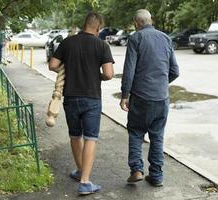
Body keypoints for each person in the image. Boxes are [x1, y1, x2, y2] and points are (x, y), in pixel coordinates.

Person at [48, 12, 114, 195]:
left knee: (75, 135)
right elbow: (109, 74)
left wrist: (68, 70)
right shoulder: (102, 45)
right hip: (92, 98)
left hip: (70, 97)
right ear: (98, 27)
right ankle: (85, 181)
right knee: (91, 137)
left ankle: (80, 171)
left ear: (84, 24)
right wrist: (96, 75)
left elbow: (53, 65)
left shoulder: (68, 42)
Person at [120, 9, 179, 187]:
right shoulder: (165, 38)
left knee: (136, 132)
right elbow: (175, 71)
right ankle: (156, 176)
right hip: (161, 98)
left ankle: (137, 170)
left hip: (140, 97)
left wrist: (125, 95)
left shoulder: (136, 38)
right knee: (157, 135)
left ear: (137, 23)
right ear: (150, 20)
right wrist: (161, 84)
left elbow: (129, 70)